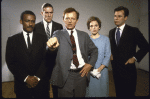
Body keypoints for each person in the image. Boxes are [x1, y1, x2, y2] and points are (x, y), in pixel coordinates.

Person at [47, 7, 98, 97]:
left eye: (73, 18)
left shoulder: (84, 35)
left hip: (81, 74)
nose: (70, 21)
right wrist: (51, 46)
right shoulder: (58, 33)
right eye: (67, 18)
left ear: (77, 20)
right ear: (63, 19)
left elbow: (94, 50)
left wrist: (90, 64)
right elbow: (53, 42)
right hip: (65, 76)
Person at [5, 10, 49, 98]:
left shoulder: (43, 38)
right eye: (27, 21)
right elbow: (11, 62)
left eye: (33, 21)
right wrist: (26, 78)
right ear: (21, 21)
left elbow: (46, 60)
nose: (30, 24)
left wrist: (37, 77)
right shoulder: (12, 40)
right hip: (22, 86)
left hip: (41, 85)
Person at [109, 6, 149, 97]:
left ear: (125, 18)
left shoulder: (134, 31)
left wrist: (134, 58)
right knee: (118, 92)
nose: (116, 18)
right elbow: (114, 47)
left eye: (119, 16)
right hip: (115, 69)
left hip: (128, 69)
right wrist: (111, 54)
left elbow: (145, 46)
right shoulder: (111, 32)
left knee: (129, 93)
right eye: (115, 16)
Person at [34, 3, 63, 98]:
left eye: (51, 12)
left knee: (56, 89)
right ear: (42, 13)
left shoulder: (59, 26)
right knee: (43, 90)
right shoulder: (36, 27)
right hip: (42, 63)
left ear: (53, 13)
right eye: (46, 12)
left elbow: (61, 45)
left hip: (55, 63)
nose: (49, 15)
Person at [85, 16, 111, 97]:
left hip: (102, 71)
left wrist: (99, 69)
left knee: (102, 93)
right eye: (91, 26)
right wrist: (91, 69)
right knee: (90, 93)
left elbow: (107, 55)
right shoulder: (86, 39)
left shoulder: (105, 39)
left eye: (96, 25)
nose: (94, 28)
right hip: (89, 71)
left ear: (99, 26)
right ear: (89, 28)